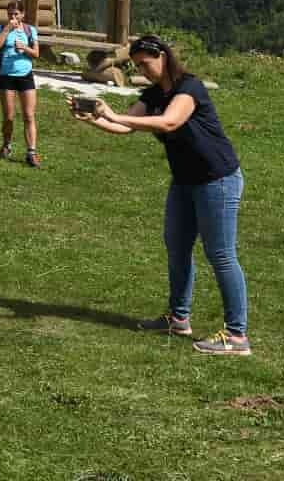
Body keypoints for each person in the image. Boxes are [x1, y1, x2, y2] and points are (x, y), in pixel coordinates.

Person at [70, 35, 251, 356]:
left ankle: (237, 336)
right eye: (137, 65)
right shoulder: (153, 95)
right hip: (184, 182)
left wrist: (113, 115)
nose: (143, 69)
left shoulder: (189, 88)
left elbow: (169, 122)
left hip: (217, 180)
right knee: (177, 248)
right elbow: (127, 127)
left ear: (163, 57)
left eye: (146, 63)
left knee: (221, 254)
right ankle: (178, 318)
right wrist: (95, 119)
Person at [0, 0, 42, 167]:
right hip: (6, 76)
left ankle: (31, 152)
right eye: (10, 14)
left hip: (25, 75)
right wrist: (7, 29)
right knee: (9, 117)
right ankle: (7, 145)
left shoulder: (30, 30)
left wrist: (25, 49)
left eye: (16, 14)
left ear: (22, 14)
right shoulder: (0, 29)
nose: (13, 17)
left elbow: (36, 54)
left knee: (29, 115)